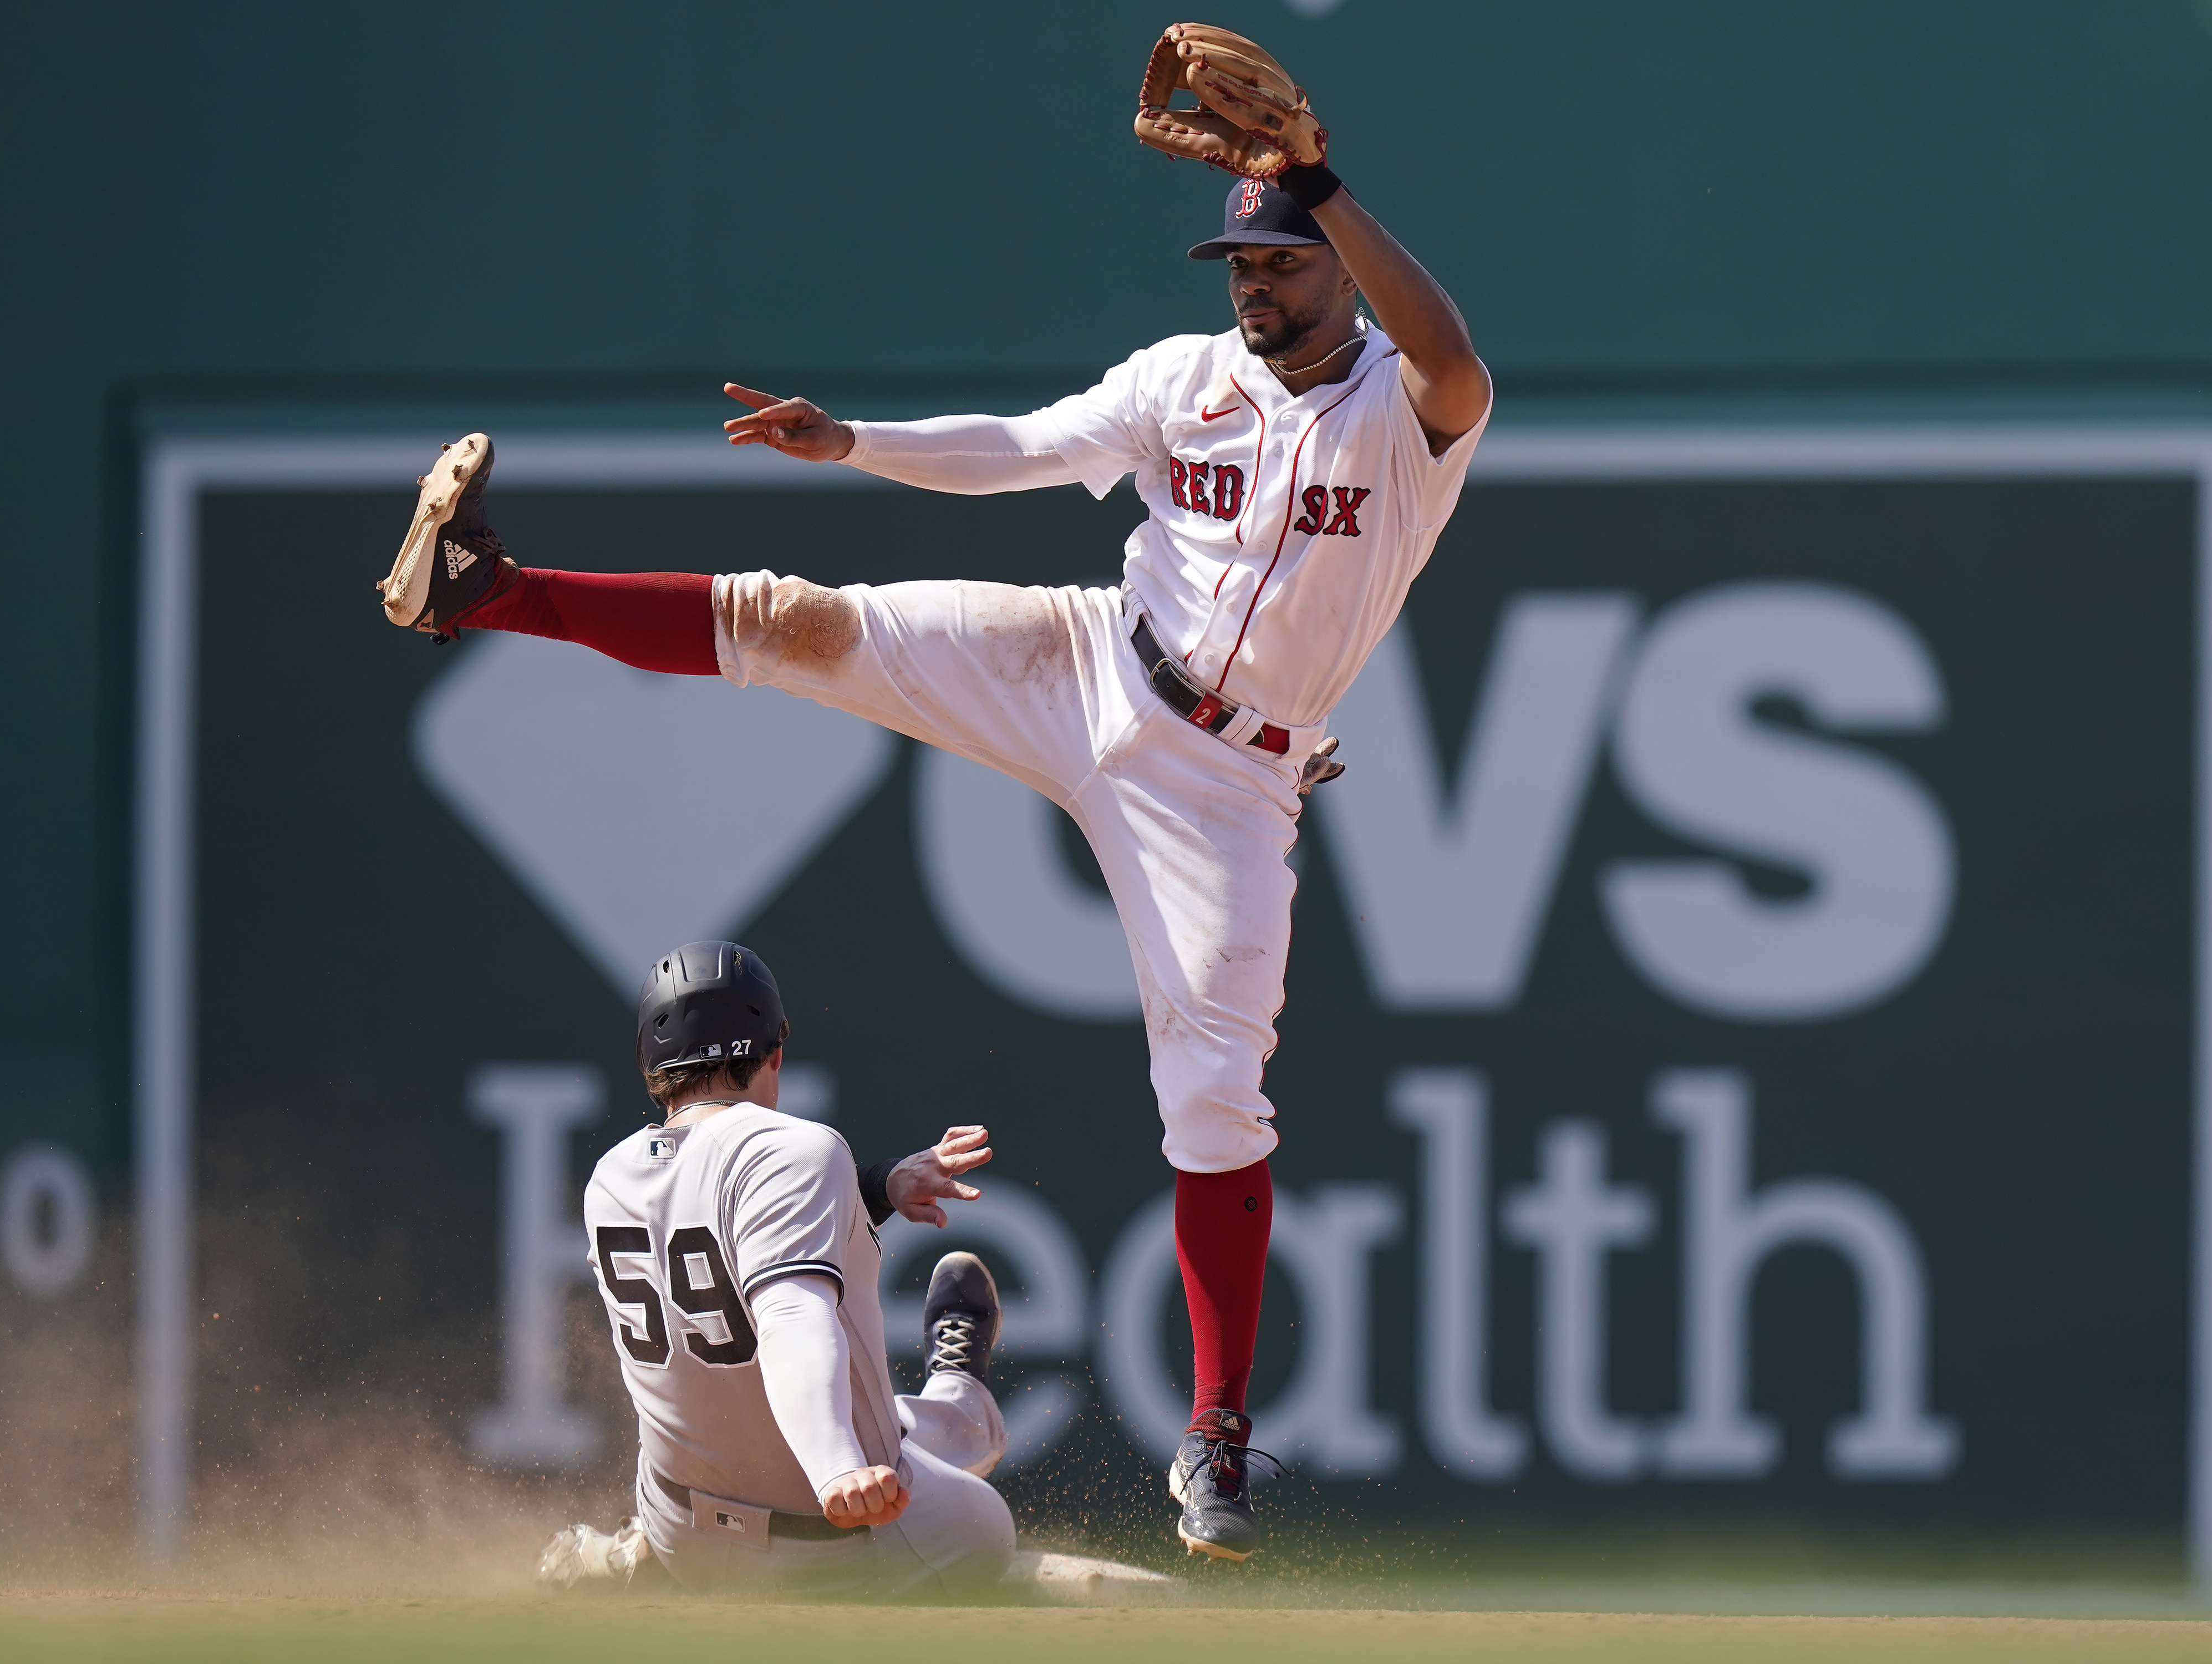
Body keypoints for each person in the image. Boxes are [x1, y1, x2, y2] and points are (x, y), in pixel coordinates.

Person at [385, 155, 1489, 1562]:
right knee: (796, 620)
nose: (1253, 286)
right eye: (1238, 265)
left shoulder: (1406, 407)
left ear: (1337, 262)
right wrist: (854, 441)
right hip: (1092, 656)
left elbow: (1452, 354)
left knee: (1214, 1098)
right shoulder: (1185, 378)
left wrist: (1324, 187)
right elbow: (1020, 447)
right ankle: (489, 593)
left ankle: (1212, 1434)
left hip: (1228, 778)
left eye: (1277, 262)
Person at [539, 940, 1014, 1596]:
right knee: (988, 1525)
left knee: (853, 1414)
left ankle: (633, 1556)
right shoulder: (797, 1147)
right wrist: (837, 1469)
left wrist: (874, 1187)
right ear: (775, 1054)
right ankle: (963, 1399)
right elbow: (792, 1318)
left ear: (651, 1065)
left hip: (679, 1525)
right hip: (826, 1539)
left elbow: (721, 1227)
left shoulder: (611, 1178)